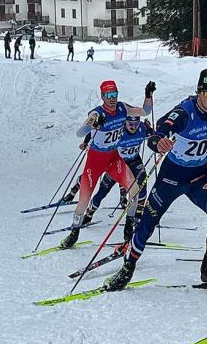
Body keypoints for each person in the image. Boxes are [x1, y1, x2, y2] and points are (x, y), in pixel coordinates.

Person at [103, 65, 207, 291]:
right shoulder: (185, 112)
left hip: (201, 172)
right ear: (198, 91)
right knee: (148, 221)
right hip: (173, 175)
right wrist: (159, 143)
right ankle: (127, 269)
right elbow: (156, 134)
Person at [60, 80, 156, 248]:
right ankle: (74, 232)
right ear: (103, 96)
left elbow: (145, 111)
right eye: (108, 95)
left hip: (114, 158)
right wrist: (93, 124)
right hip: (96, 161)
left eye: (114, 94)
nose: (112, 98)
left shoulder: (122, 108)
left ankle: (128, 226)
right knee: (84, 199)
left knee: (134, 190)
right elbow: (79, 133)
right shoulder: (97, 113)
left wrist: (148, 95)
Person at [83, 115, 153, 223]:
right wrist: (85, 142)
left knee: (142, 182)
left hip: (134, 160)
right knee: (104, 189)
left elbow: (154, 137)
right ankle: (90, 212)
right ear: (125, 123)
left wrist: (156, 138)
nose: (133, 127)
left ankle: (138, 214)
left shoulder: (142, 128)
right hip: (118, 162)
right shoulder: (118, 130)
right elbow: (95, 133)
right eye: (130, 124)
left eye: (136, 124)